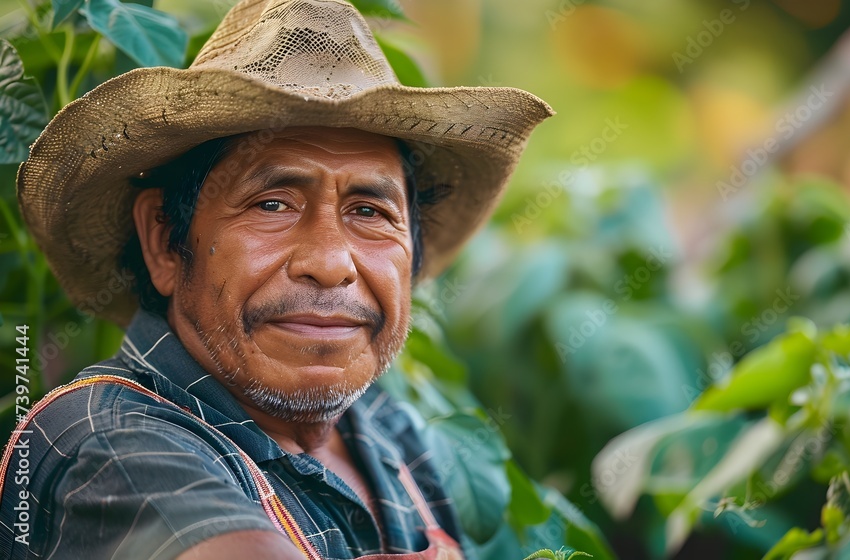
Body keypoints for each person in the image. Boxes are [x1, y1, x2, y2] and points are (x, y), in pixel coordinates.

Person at [0, 0, 552, 558]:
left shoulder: (384, 425)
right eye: (272, 204)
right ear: (165, 241)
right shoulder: (106, 444)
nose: (332, 262)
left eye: (370, 211)